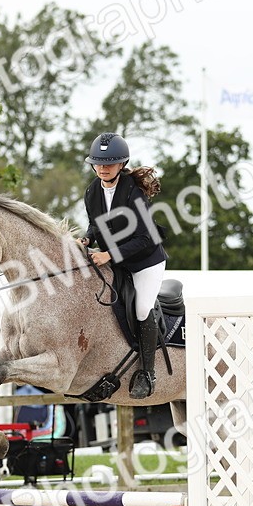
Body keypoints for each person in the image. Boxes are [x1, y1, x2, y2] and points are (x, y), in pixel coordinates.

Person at [80, 132, 168, 399]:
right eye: (98, 163)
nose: (103, 168)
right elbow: (97, 223)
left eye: (109, 163)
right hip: (118, 261)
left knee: (142, 308)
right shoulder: (92, 191)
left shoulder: (133, 193)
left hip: (145, 262)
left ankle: (147, 373)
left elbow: (144, 237)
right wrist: (87, 237)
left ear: (121, 164)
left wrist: (108, 255)